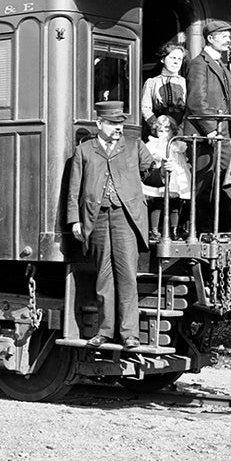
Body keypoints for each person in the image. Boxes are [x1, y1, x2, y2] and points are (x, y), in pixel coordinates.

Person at [65, 100, 163, 347]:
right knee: (104, 277)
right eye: (112, 123)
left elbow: (151, 174)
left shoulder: (134, 146)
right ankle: (105, 331)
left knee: (127, 276)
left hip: (125, 218)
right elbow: (73, 188)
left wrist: (163, 171)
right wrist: (74, 220)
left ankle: (129, 334)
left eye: (120, 123)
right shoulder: (84, 150)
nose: (118, 128)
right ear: (100, 123)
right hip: (96, 219)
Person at [183, 19, 231, 231]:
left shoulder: (222, 65)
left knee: (224, 182)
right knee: (205, 184)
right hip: (206, 137)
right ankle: (199, 231)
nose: (229, 40)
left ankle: (222, 231)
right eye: (224, 36)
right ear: (211, 38)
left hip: (224, 134)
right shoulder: (199, 64)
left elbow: (225, 97)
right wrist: (211, 130)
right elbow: (196, 102)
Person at [140, 112, 193, 240]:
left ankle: (173, 230)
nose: (163, 133)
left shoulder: (176, 144)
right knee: (157, 202)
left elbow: (182, 158)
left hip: (175, 176)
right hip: (160, 176)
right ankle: (154, 230)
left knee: (175, 203)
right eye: (160, 130)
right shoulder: (153, 144)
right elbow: (153, 157)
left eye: (167, 130)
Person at [139, 36, 189, 128]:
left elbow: (190, 109)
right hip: (158, 127)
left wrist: (181, 128)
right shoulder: (152, 82)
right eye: (172, 58)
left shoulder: (185, 83)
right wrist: (156, 125)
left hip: (181, 128)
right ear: (162, 59)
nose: (176, 62)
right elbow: (145, 108)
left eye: (179, 59)